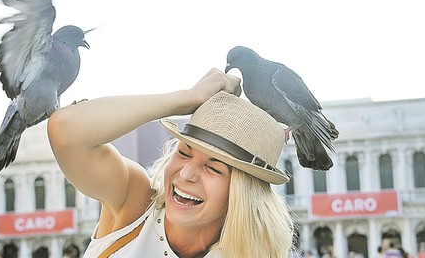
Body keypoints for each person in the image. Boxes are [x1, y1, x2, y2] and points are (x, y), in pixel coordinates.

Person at [48, 68, 295, 257]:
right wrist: (188, 98)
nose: (186, 173)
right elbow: (64, 130)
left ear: (242, 192)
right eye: (184, 153)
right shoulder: (134, 203)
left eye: (213, 167)